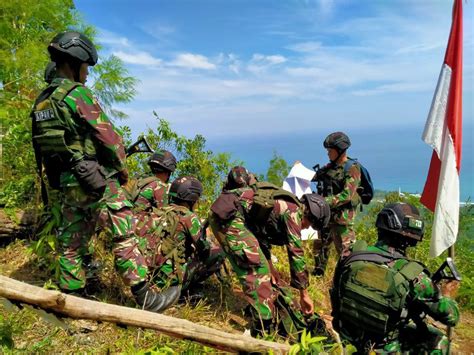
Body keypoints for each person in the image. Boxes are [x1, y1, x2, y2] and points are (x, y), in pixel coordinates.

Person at [31, 31, 148, 292]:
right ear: (74, 63)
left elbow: (42, 147)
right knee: (124, 230)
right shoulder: (77, 94)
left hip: (66, 180)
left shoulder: (42, 101)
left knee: (71, 242)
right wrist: (122, 169)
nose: (87, 73)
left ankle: (72, 294)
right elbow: (108, 138)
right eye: (85, 67)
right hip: (95, 178)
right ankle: (144, 294)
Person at [209, 166, 331, 337]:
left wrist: (269, 264)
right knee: (257, 271)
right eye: (309, 225)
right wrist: (304, 294)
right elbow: (296, 252)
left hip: (232, 216)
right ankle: (262, 328)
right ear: (309, 214)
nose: (305, 228)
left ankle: (265, 317)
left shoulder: (286, 207)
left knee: (266, 270)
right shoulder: (293, 212)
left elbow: (260, 235)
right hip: (227, 218)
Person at [330, 203, 459, 353]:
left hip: (347, 341)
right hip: (382, 349)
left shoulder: (350, 255)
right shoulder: (415, 277)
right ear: (413, 238)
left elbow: (336, 293)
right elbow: (451, 318)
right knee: (440, 340)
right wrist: (447, 294)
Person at [132, 176, 224, 312]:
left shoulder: (156, 212)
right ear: (192, 198)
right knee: (218, 254)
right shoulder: (189, 217)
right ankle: (189, 291)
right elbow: (204, 251)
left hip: (147, 276)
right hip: (168, 282)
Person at [312, 131, 361, 276]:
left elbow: (347, 195)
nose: (328, 153)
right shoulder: (330, 168)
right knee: (320, 247)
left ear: (340, 150)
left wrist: (324, 202)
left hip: (342, 218)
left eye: (330, 151)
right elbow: (314, 178)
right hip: (327, 216)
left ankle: (348, 279)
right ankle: (319, 273)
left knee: (346, 253)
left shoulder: (352, 168)